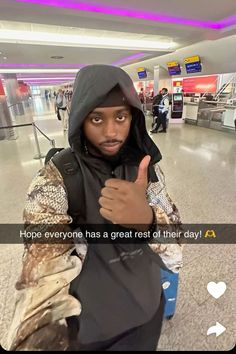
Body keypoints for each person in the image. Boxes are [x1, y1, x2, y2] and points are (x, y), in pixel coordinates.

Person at [5, 65, 183, 351]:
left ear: (133, 118)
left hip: (147, 314)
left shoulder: (147, 170)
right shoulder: (55, 181)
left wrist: (148, 221)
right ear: (79, 120)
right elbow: (41, 276)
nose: (111, 131)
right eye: (96, 118)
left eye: (121, 116)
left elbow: (175, 252)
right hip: (90, 330)